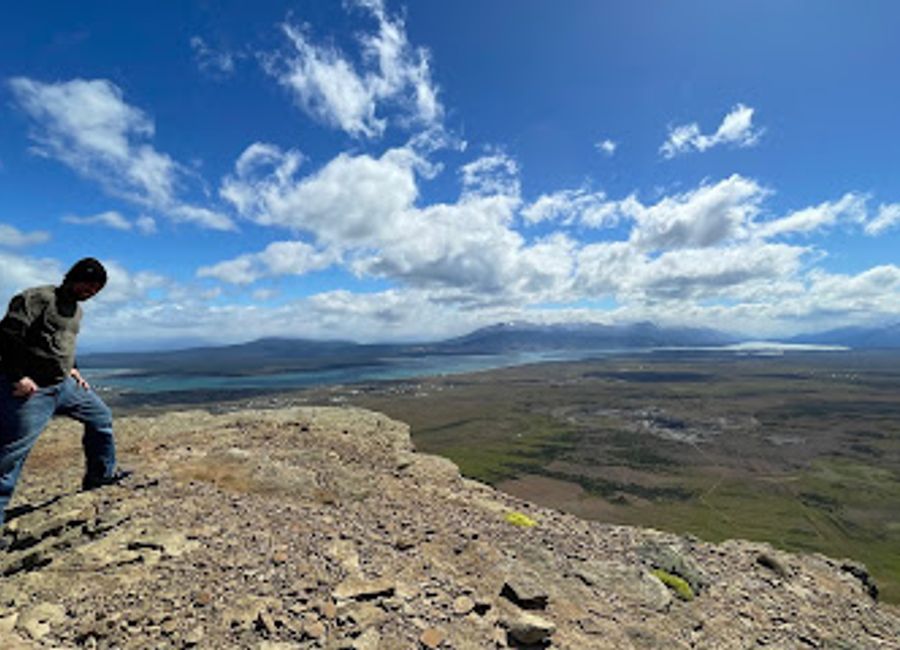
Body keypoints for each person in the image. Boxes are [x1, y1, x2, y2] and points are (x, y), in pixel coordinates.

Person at [0, 257, 130, 535]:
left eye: (96, 288)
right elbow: (6, 338)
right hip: (32, 390)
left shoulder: (76, 311)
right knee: (9, 458)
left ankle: (100, 477)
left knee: (101, 420)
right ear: (72, 277)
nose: (90, 291)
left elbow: (62, 344)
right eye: (87, 283)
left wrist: (74, 369)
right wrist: (17, 377)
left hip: (64, 385)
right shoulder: (36, 298)